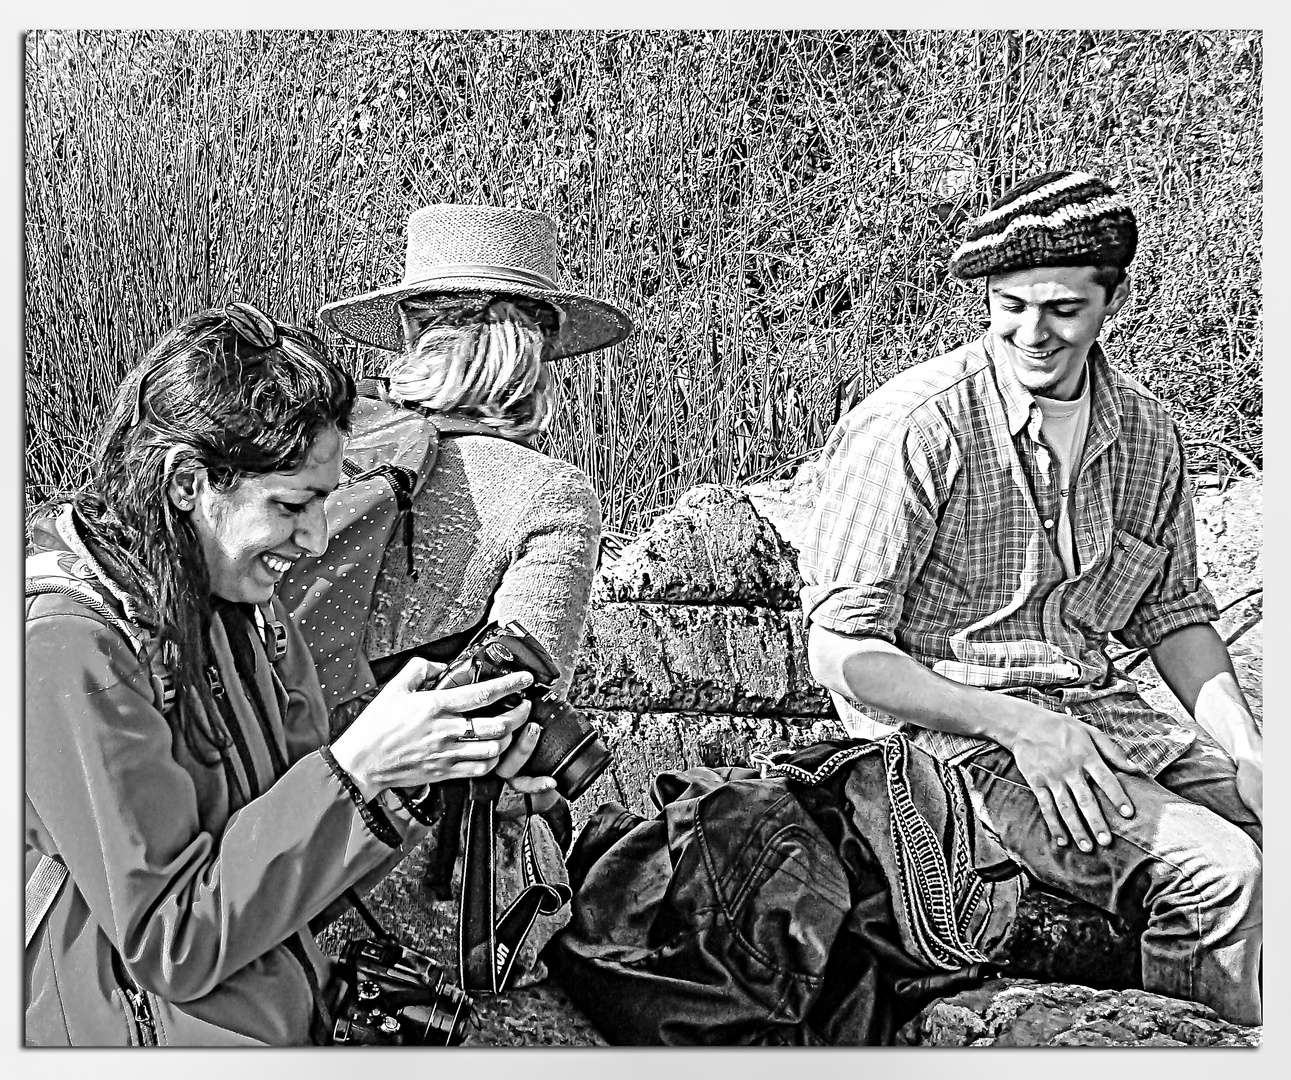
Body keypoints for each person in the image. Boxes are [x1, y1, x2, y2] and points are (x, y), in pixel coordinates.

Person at [798, 171, 1262, 1026]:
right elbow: (840, 651)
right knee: (1218, 872)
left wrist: (1247, 750)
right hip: (951, 747)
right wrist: (1018, 725)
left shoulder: (1146, 432)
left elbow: (1172, 614)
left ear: (1109, 302)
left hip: (1102, 719)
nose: (1032, 333)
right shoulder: (917, 426)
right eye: (1009, 305)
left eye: (1061, 310)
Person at [24, 303, 559, 1046]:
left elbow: (298, 864)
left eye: (325, 502)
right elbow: (172, 941)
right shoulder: (71, 651)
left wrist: (427, 767)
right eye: (291, 504)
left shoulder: (243, 607)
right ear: (188, 482)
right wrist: (355, 769)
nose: (313, 539)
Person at [318, 203, 633, 704]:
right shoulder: (550, 491)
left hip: (258, 747)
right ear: (537, 341)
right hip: (404, 771)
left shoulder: (320, 438)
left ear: (407, 325)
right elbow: (523, 693)